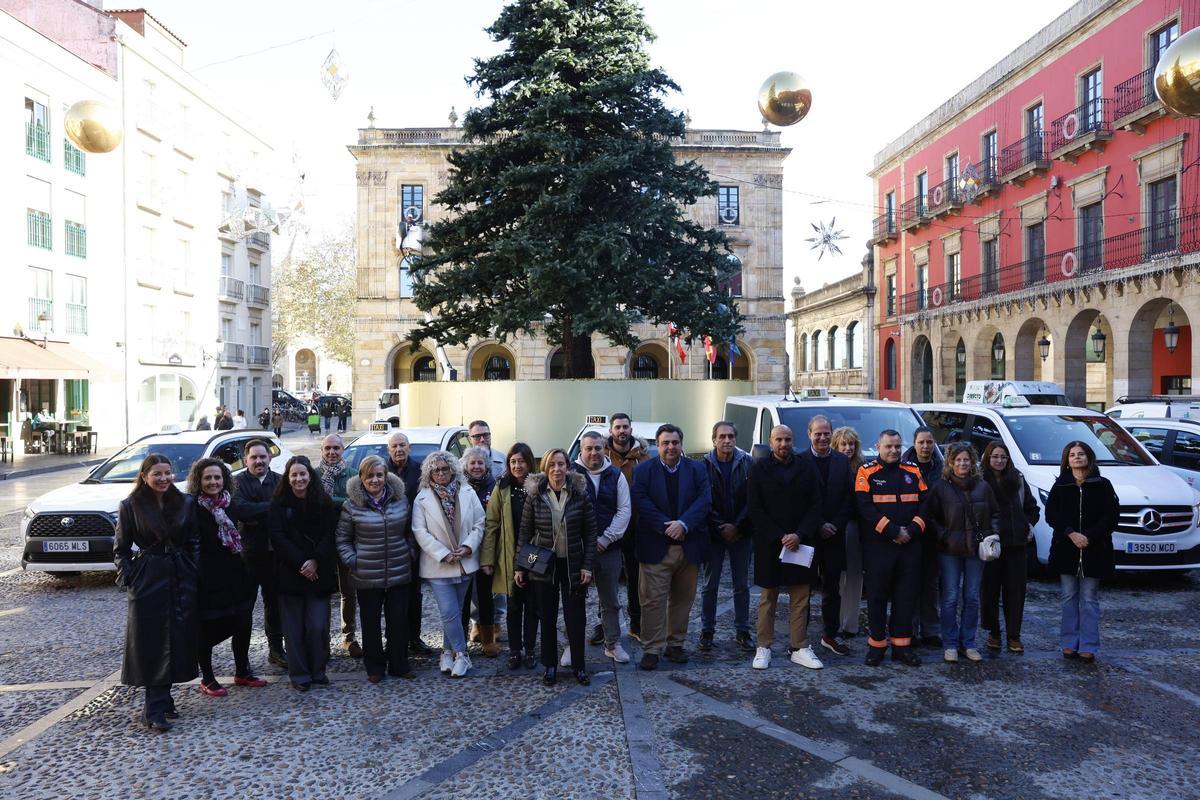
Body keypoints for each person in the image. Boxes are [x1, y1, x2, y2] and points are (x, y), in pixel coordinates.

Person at [114, 454, 200, 732]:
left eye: (167, 473)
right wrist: (130, 577)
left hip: (179, 575)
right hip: (148, 578)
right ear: (144, 476)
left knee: (176, 638)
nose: (163, 478)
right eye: (157, 474)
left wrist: (192, 569)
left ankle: (165, 698)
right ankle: (154, 707)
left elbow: (194, 540)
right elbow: (121, 548)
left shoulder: (185, 502)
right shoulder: (131, 505)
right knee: (151, 641)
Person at [631, 424, 711, 670]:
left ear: (681, 444)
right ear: (658, 445)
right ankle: (652, 649)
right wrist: (668, 526)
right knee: (652, 601)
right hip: (657, 545)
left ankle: (675, 645)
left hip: (689, 546)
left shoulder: (697, 469)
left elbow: (705, 499)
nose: (670, 447)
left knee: (683, 600)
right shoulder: (644, 471)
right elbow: (640, 502)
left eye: (675, 442)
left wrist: (684, 524)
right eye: (665, 443)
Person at [516, 448, 597, 685]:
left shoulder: (579, 494)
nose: (557, 469)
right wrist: (520, 567)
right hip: (544, 565)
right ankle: (549, 666)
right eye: (552, 465)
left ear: (568, 467)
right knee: (547, 617)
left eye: (561, 464)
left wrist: (587, 566)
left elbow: (591, 532)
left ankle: (579, 667)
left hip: (572, 565)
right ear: (545, 468)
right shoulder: (535, 495)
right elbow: (525, 533)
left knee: (576, 619)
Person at [747, 425, 824, 671]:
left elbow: (816, 505)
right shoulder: (759, 469)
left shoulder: (806, 467)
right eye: (779, 439)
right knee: (768, 597)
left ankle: (799, 646)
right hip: (771, 544)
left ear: (793, 441)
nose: (783, 444)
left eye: (788, 439)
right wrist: (780, 536)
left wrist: (799, 535)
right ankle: (764, 646)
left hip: (801, 542)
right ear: (770, 442)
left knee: (801, 597)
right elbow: (755, 508)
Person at [187, 457, 265, 694]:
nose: (213, 482)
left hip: (234, 573)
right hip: (206, 576)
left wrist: (281, 501)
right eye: (208, 478)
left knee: (243, 622)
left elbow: (253, 511)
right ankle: (208, 678)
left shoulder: (229, 503)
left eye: (217, 477)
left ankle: (242, 671)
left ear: (225, 480)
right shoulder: (191, 506)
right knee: (207, 627)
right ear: (199, 480)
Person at [337, 454, 415, 682]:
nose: (375, 480)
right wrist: (354, 560)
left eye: (379, 475)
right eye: (370, 476)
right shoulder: (351, 505)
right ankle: (375, 668)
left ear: (386, 476)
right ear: (361, 478)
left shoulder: (400, 500)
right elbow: (342, 539)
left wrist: (410, 552)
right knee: (370, 624)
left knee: (398, 622)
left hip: (399, 570)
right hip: (366, 573)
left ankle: (400, 664)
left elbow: (410, 531)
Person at [856, 429, 929, 667]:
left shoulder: (913, 470)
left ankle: (902, 647)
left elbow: (926, 504)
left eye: (897, 446)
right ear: (878, 446)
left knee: (905, 597)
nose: (894, 451)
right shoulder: (866, 472)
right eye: (888, 446)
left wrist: (912, 530)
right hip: (879, 547)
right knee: (876, 597)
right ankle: (876, 646)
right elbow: (864, 508)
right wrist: (893, 531)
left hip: (910, 545)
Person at [1044, 441, 1120, 664]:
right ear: (1066, 460)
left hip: (1094, 549)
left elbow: (1111, 516)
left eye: (1081, 454)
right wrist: (1071, 534)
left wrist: (1090, 536)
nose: (1077, 457)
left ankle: (1088, 645)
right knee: (1068, 597)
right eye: (1072, 455)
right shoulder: (1060, 486)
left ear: (1089, 458)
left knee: (1089, 598)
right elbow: (1052, 515)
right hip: (1066, 549)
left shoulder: (1103, 485)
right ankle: (1069, 642)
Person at [412, 450, 485, 678]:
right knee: (448, 611)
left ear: (452, 469)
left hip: (464, 562)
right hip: (438, 565)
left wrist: (468, 547)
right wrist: (443, 553)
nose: (441, 473)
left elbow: (480, 523)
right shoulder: (421, 497)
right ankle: (463, 655)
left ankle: (446, 652)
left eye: (445, 469)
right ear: (429, 473)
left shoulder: (467, 491)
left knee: (454, 611)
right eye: (436, 470)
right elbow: (419, 531)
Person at [924, 443, 999, 663]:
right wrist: (943, 535)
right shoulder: (940, 487)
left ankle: (969, 642)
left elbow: (995, 513)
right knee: (950, 597)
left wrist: (992, 534)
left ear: (973, 462)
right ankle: (950, 643)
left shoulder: (983, 487)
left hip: (976, 549)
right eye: (958, 460)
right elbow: (930, 517)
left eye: (966, 459)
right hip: (949, 550)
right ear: (950, 463)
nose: (962, 463)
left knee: (972, 596)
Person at [269, 456, 339, 691]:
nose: (299, 478)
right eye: (294, 475)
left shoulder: (324, 502)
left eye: (303, 474)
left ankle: (318, 670)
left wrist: (315, 561)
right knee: (294, 628)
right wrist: (302, 562)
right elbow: (278, 538)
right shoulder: (278, 505)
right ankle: (299, 675)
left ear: (310, 475)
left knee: (318, 626)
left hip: (319, 574)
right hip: (290, 573)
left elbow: (330, 535)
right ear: (288, 479)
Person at [572, 431, 632, 664]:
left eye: (598, 448)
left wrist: (606, 539)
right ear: (581, 450)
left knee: (610, 600)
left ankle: (612, 643)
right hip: (577, 549)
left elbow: (624, 510)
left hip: (609, 548)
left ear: (604, 448)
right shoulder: (571, 474)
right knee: (574, 600)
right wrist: (582, 542)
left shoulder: (615, 475)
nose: (594, 452)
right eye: (589, 448)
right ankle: (573, 645)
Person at [797, 415, 854, 658]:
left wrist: (834, 524)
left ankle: (831, 634)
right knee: (804, 587)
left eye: (826, 433)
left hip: (835, 535)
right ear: (809, 434)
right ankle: (799, 636)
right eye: (817, 433)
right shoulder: (799, 460)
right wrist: (818, 524)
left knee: (833, 587)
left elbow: (848, 498)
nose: (822, 437)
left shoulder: (842, 461)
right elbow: (797, 500)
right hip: (808, 535)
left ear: (832, 434)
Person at [481, 443, 540, 670]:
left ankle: (531, 649)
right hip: (509, 555)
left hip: (534, 554)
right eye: (513, 461)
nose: (517, 465)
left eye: (521, 461)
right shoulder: (502, 487)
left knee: (533, 606)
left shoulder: (539, 485)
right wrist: (487, 559)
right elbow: (492, 523)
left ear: (529, 463)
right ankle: (515, 651)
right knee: (514, 606)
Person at [699, 421, 754, 653]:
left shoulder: (748, 462)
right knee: (709, 585)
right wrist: (721, 525)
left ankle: (742, 631)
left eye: (731, 436)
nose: (727, 440)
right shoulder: (702, 465)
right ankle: (707, 631)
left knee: (741, 585)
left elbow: (753, 498)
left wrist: (737, 526)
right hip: (714, 533)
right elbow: (702, 498)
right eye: (722, 436)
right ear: (714, 440)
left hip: (741, 533)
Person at [980, 441, 1039, 654]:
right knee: (989, 592)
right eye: (995, 456)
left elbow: (1032, 508)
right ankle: (993, 632)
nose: (999, 460)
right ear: (988, 457)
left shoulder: (1019, 480)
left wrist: (1029, 526)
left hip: (1016, 545)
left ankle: (1014, 635)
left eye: (1003, 457)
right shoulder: (979, 481)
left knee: (1015, 593)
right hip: (991, 545)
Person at [233, 439, 286, 667]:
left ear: (270, 458)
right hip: (249, 554)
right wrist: (270, 508)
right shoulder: (237, 482)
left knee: (274, 605)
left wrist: (259, 513)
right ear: (246, 460)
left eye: (262, 457)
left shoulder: (281, 482)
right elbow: (240, 510)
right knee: (244, 607)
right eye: (254, 457)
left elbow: (285, 511)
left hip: (275, 554)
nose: (258, 461)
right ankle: (241, 660)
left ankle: (276, 650)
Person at [385, 430, 434, 655]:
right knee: (391, 595)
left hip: (415, 540)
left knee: (414, 593)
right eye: (394, 446)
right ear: (389, 450)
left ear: (409, 447)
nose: (398, 449)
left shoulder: (421, 471)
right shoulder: (381, 470)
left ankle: (414, 638)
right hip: (389, 542)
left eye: (402, 445)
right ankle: (393, 640)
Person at [605, 413, 651, 642]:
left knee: (635, 579)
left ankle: (636, 623)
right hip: (607, 528)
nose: (621, 431)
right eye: (617, 427)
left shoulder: (643, 458)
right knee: (606, 579)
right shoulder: (601, 456)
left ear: (631, 429)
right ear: (611, 430)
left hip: (636, 528)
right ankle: (604, 625)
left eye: (625, 427)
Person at [316, 434, 361, 658]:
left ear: (343, 450)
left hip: (348, 539)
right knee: (323, 592)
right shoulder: (314, 475)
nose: (332, 452)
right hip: (322, 541)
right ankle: (322, 641)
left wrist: (329, 501)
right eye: (328, 448)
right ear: (321, 450)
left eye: (336, 448)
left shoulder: (353, 475)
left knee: (349, 591)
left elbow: (354, 504)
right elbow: (315, 504)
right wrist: (339, 502)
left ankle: (348, 637)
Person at [904, 426, 943, 648]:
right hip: (910, 532)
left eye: (929, 442)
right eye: (922, 442)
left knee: (930, 584)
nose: (926, 447)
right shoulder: (904, 465)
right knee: (910, 584)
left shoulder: (941, 467)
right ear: (915, 442)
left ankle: (931, 630)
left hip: (933, 534)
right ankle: (909, 630)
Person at [460, 446, 499, 657]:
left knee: (485, 596)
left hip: (486, 549)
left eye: (480, 463)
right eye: (472, 463)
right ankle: (461, 641)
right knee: (464, 597)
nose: (476, 466)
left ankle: (488, 639)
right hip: (464, 548)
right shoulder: (458, 486)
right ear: (465, 465)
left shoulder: (494, 486)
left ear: (486, 466)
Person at [831, 427, 865, 639]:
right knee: (836, 577)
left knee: (853, 576)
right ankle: (834, 622)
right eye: (843, 444)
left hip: (854, 526)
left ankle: (850, 624)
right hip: (835, 525)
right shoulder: (831, 466)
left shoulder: (862, 468)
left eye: (851, 444)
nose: (847, 448)